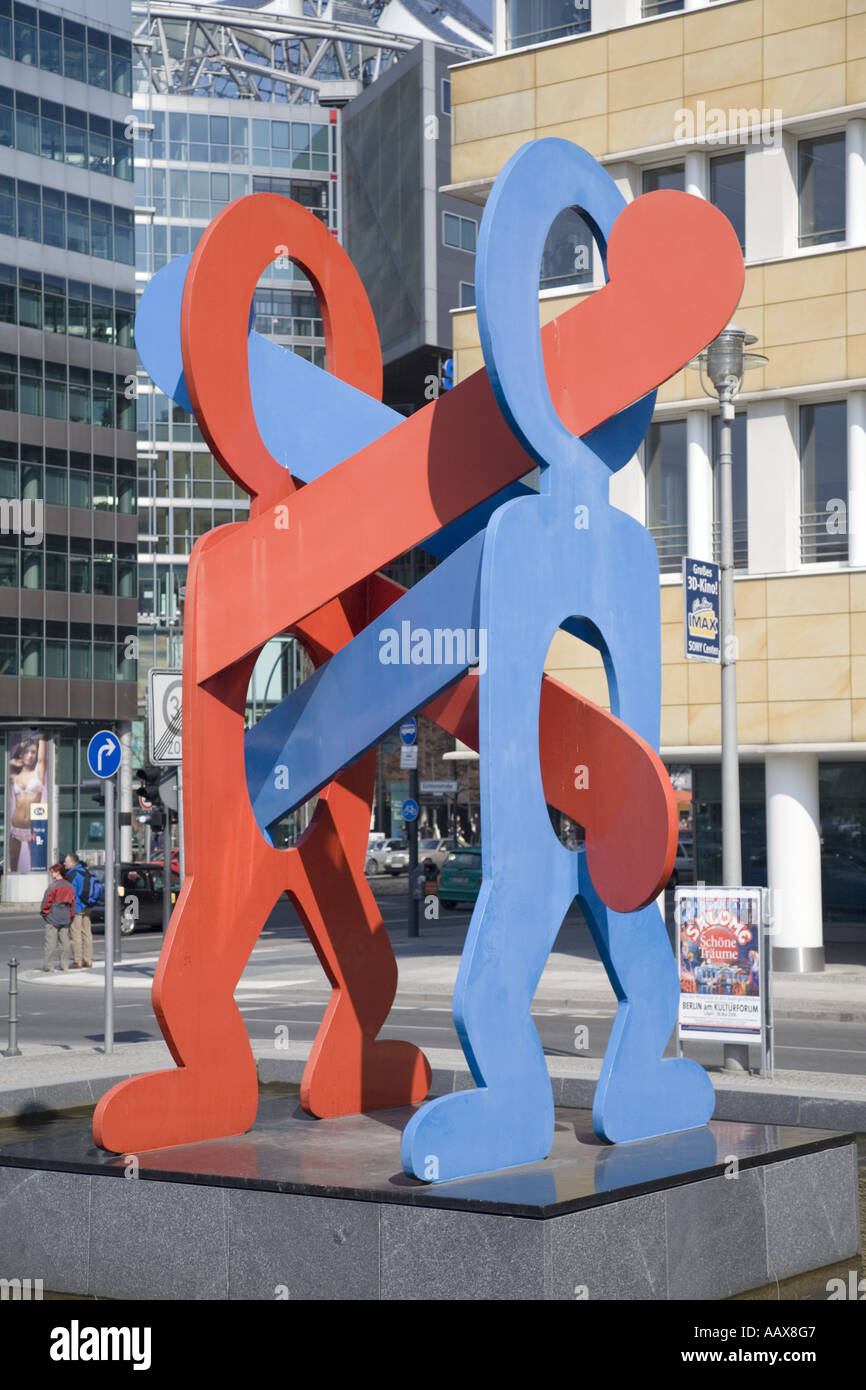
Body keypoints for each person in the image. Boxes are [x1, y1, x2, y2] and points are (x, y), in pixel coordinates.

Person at [8, 736, 47, 872]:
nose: (30, 756)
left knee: (37, 864)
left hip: (33, 828)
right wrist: (17, 760)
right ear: (21, 754)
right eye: (27, 752)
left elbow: (42, 758)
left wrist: (42, 736)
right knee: (12, 865)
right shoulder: (14, 776)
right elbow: (9, 761)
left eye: (33, 752)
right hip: (16, 827)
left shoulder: (38, 772)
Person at [41, 862, 74, 972]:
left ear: (58, 872)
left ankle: (48, 966)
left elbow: (47, 902)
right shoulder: (70, 886)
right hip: (65, 918)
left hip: (53, 917)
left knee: (50, 944)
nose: (51, 874)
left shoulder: (53, 886)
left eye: (52, 872)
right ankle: (64, 965)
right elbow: (73, 903)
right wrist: (71, 916)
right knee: (65, 943)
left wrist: (44, 914)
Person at [64, 852, 94, 969]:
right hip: (88, 905)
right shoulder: (86, 871)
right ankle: (88, 960)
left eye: (66, 862)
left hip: (77, 907)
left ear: (72, 862)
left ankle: (78, 961)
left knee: (75, 934)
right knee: (87, 933)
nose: (64, 863)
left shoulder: (72, 874)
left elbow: (69, 892)